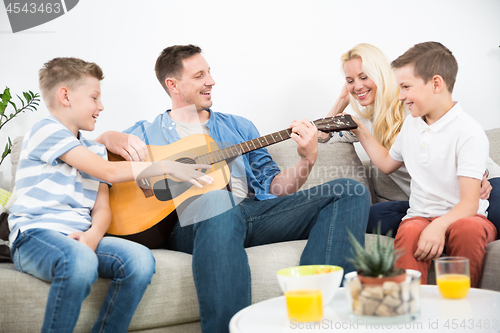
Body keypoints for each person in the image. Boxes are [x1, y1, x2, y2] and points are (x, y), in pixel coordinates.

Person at [96, 44, 370, 333]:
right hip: (191, 225)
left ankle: (318, 317)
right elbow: (92, 159)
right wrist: (107, 137)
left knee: (348, 191)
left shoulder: (238, 127)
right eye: (200, 75)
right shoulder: (146, 132)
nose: (211, 81)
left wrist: (307, 159)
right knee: (217, 200)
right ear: (173, 85)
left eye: (209, 73)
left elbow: (276, 189)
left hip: (250, 215)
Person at [7, 57, 213, 333]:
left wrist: (92, 236)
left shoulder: (94, 150)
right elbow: (108, 172)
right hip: (35, 236)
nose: (101, 106)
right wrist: (168, 166)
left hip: (79, 237)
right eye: (94, 97)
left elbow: (102, 209)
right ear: (65, 96)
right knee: (79, 261)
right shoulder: (46, 130)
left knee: (140, 261)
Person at [349, 41, 497, 287]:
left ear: (436, 84)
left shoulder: (468, 131)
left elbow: (470, 203)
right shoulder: (411, 125)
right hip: (420, 215)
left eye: (406, 87)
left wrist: (438, 226)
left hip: (466, 217)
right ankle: (410, 309)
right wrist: (360, 131)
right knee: (409, 230)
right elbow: (386, 163)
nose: (400, 96)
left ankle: (459, 310)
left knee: (468, 229)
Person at [318, 43, 499, 238]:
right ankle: (440, 228)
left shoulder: (413, 108)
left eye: (363, 77)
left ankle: (455, 230)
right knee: (369, 217)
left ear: (381, 74)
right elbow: (321, 137)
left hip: (481, 189)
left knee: (488, 213)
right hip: (428, 205)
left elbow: (462, 139)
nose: (357, 86)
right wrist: (340, 101)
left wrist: (482, 176)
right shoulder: (361, 125)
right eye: (350, 80)